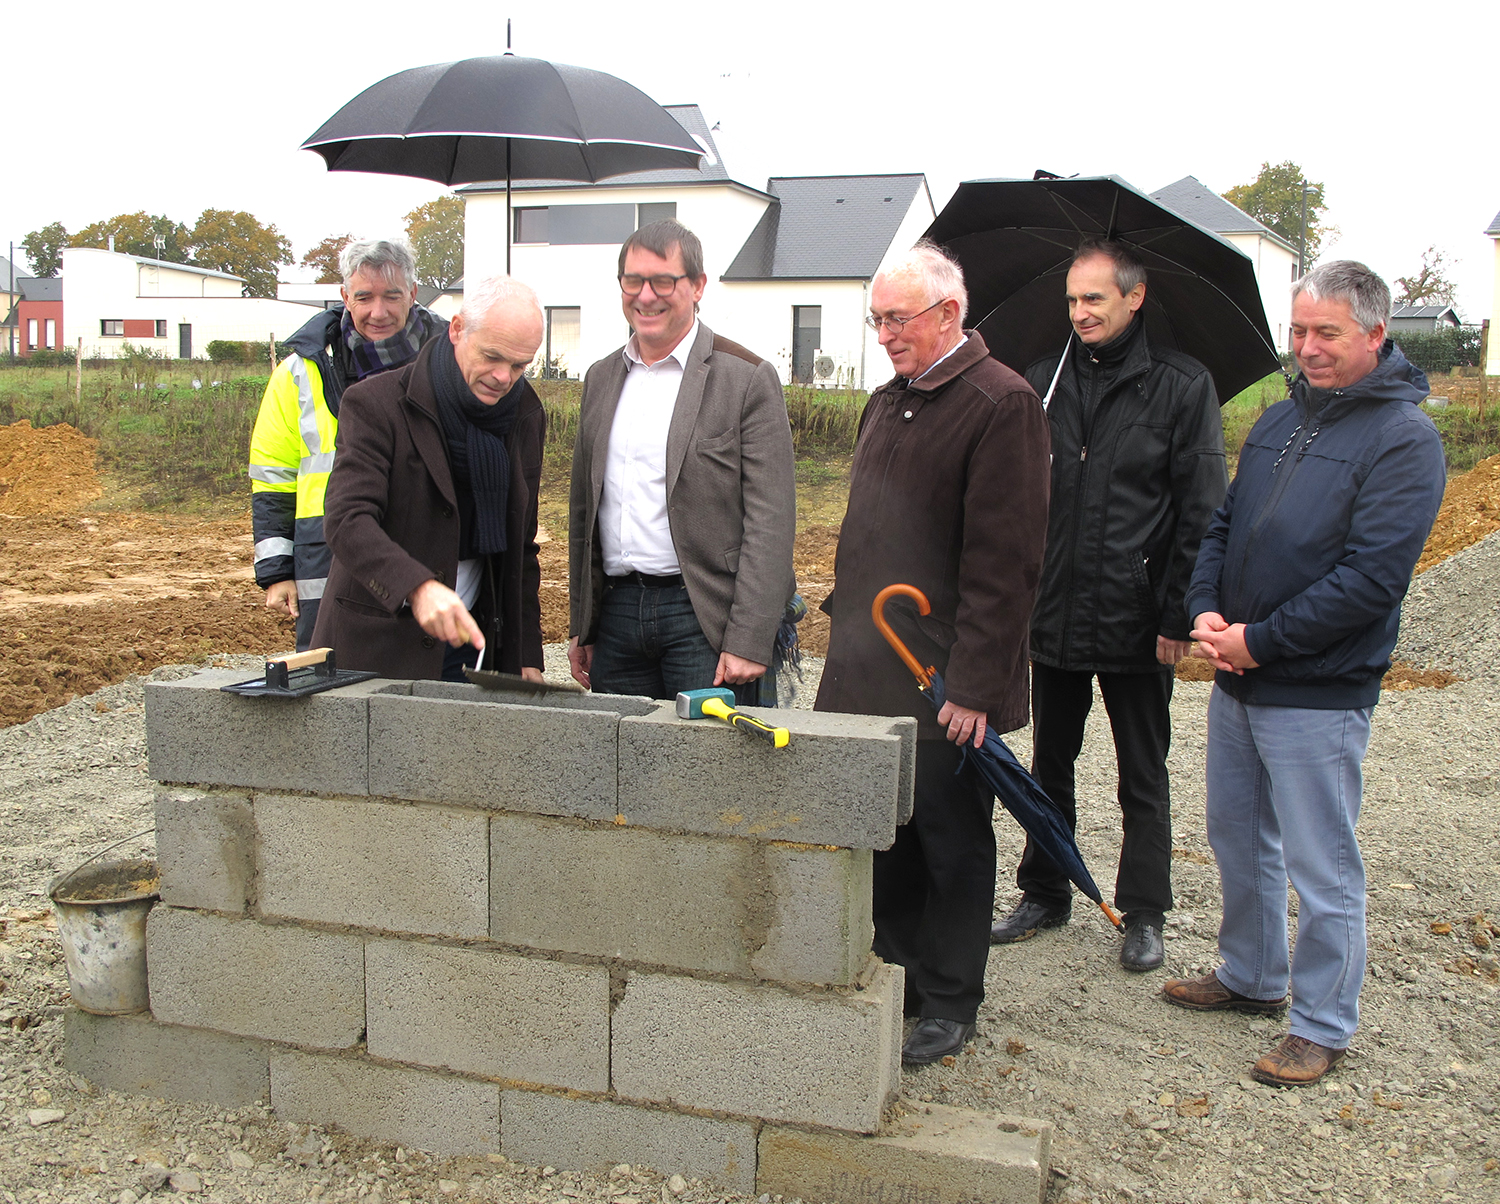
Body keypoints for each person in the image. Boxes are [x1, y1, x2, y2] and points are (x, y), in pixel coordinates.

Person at [1167, 260, 1445, 1087]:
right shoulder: (1282, 420)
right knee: (1237, 836)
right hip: (1240, 672)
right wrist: (1207, 611)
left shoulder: (1404, 440)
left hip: (1318, 689)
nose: (1308, 348)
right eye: (1299, 331)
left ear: (1374, 334)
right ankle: (1252, 973)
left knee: (1324, 865)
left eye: (1326, 333)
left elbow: (1370, 582)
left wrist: (1264, 641)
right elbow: (1223, 524)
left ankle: (1322, 1023)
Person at [815, 241, 1050, 1065]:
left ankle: (951, 997)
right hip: (866, 666)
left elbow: (1006, 563)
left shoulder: (1001, 405)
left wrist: (976, 687)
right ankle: (901, 975)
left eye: (897, 318)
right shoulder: (892, 400)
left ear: (949, 314)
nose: (883, 333)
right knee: (888, 835)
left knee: (951, 840)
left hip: (941, 680)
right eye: (876, 318)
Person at [990, 240, 1228, 972]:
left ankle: (1144, 910)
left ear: (1135, 297)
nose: (1080, 313)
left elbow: (1202, 511)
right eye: (1071, 299)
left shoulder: (1183, 387)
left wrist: (1177, 614)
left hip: (1137, 617)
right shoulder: (1042, 381)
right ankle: (1044, 890)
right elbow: (1014, 499)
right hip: (1055, 610)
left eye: (1094, 298)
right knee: (1048, 762)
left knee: (1141, 770)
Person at [567, 219, 795, 703]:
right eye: (633, 280)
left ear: (697, 286)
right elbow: (582, 512)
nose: (645, 296)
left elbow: (771, 522)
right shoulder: (601, 378)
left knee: (710, 774)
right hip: (618, 615)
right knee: (625, 770)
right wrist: (582, 624)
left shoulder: (746, 379)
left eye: (663, 281)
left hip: (703, 617)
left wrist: (750, 638)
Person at [310, 275, 548, 683]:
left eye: (519, 365)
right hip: (376, 645)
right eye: (492, 356)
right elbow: (347, 520)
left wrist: (526, 655)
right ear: (457, 330)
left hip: (470, 644)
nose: (503, 377)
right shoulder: (377, 405)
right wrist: (416, 587)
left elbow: (519, 547)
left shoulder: (525, 412)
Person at [249, 237, 447, 649]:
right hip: (324, 552)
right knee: (331, 679)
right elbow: (273, 475)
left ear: (413, 293)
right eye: (364, 297)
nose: (379, 312)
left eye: (392, 296)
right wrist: (277, 571)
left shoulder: (450, 363)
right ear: (344, 296)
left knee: (427, 682)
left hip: (426, 547)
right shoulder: (299, 372)